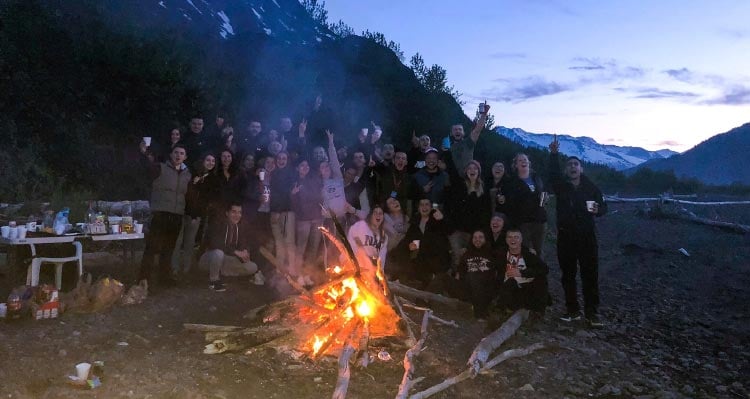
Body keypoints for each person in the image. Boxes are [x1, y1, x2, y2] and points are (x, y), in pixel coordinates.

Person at [549, 137, 607, 327]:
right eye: (570, 165)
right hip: (566, 237)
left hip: (587, 238)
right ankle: (572, 310)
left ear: (581, 169)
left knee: (590, 275)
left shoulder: (591, 187)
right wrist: (554, 154)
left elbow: (603, 207)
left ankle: (592, 313)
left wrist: (598, 209)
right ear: (567, 170)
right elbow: (552, 172)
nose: (573, 167)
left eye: (576, 164)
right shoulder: (561, 186)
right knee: (568, 275)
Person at [137, 144, 192, 288]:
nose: (178, 155)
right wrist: (144, 154)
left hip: (176, 215)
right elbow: (145, 168)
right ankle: (143, 279)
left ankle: (164, 279)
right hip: (160, 213)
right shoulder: (160, 168)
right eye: (176, 152)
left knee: (168, 249)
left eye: (181, 153)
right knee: (152, 248)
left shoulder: (187, 174)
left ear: (185, 157)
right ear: (171, 154)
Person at [171, 153, 219, 275]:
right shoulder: (191, 173)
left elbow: (207, 199)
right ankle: (174, 268)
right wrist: (195, 183)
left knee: (189, 243)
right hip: (182, 211)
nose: (210, 163)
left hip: (196, 216)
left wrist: (198, 214)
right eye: (208, 160)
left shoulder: (213, 179)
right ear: (203, 161)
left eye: (213, 161)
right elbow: (185, 192)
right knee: (177, 241)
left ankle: (186, 269)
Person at [199, 202, 260, 292]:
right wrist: (235, 252)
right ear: (227, 213)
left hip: (226, 260)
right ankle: (214, 281)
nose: (237, 215)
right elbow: (215, 243)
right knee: (218, 253)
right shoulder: (217, 223)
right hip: (208, 259)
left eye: (239, 212)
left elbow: (244, 244)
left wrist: (245, 252)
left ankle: (222, 274)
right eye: (234, 212)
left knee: (253, 267)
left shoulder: (240, 227)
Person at [446, 160, 491, 272]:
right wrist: (450, 226)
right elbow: (450, 205)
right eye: (470, 168)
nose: (472, 170)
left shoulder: (483, 190)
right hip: (456, 230)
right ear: (466, 171)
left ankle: (465, 283)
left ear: (479, 172)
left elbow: (486, 212)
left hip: (474, 232)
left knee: (470, 258)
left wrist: (481, 231)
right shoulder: (459, 186)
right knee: (456, 256)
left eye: (475, 168)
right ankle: (453, 283)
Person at [495, 228, 550, 315]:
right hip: (509, 288)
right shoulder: (501, 253)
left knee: (541, 278)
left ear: (521, 240)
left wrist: (522, 273)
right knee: (510, 282)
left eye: (516, 237)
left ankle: (537, 310)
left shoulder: (527, 254)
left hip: (527, 288)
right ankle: (502, 309)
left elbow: (544, 269)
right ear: (506, 240)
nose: (513, 240)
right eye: (510, 237)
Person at [399, 198, 450, 289]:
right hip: (422, 258)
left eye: (427, 204)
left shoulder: (436, 220)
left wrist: (442, 220)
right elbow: (407, 239)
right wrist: (409, 245)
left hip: (437, 257)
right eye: (421, 204)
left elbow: (447, 233)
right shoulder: (415, 222)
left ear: (431, 208)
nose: (424, 207)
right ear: (418, 208)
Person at [504, 153, 547, 256]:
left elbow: (542, 193)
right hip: (523, 222)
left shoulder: (536, 178)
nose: (523, 161)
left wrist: (545, 199)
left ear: (529, 163)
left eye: (525, 160)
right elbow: (510, 203)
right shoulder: (512, 182)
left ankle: (540, 271)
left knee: (539, 250)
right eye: (520, 160)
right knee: (525, 250)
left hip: (539, 220)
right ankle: (525, 272)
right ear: (515, 165)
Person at [291, 158, 323, 280]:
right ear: (298, 168)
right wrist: (293, 194)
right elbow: (293, 205)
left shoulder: (314, 180)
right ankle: (298, 274)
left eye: (307, 166)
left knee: (313, 248)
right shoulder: (295, 182)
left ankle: (308, 274)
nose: (305, 168)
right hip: (303, 219)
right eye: (302, 165)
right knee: (301, 247)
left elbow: (319, 198)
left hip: (316, 218)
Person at [456, 230, 498, 320]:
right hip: (467, 288)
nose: (477, 239)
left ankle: (480, 313)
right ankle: (422, 303)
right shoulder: (466, 254)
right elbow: (460, 272)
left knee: (473, 276)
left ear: (485, 239)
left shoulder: (492, 254)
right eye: (475, 237)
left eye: (480, 237)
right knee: (441, 277)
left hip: (485, 289)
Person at [445, 103, 490, 176]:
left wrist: (484, 114)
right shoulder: (448, 148)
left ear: (463, 133)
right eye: (455, 130)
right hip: (454, 180)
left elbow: (477, 130)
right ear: (451, 133)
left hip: (469, 178)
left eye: (460, 129)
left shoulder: (468, 143)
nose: (457, 131)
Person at [270, 151, 296, 270]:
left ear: (287, 160)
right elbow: (273, 195)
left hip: (286, 212)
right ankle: (280, 270)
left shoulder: (291, 174)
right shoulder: (273, 174)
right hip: (274, 211)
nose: (281, 160)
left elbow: (287, 194)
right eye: (279, 158)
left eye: (284, 158)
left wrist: (278, 212)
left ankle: (292, 269)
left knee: (289, 242)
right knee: (279, 242)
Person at [347, 205, 388, 280]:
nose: (378, 215)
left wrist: (380, 271)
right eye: (375, 213)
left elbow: (382, 257)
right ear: (371, 216)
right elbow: (353, 242)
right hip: (354, 262)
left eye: (380, 213)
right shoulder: (361, 225)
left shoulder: (384, 237)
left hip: (371, 269)